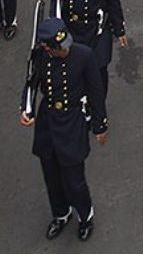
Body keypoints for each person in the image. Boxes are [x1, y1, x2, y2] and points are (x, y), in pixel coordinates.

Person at [20, 17, 109, 241]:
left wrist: (100, 124)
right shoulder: (40, 56)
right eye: (59, 48)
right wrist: (26, 108)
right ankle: (61, 213)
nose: (65, 51)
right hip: (48, 119)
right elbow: (31, 82)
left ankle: (85, 215)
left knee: (74, 178)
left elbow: (96, 92)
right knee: (51, 174)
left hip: (71, 120)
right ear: (46, 47)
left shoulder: (84, 56)